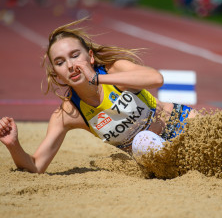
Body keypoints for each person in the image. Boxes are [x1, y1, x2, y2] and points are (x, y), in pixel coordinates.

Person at [0, 18, 198, 174]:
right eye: (60, 62)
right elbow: (36, 166)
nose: (70, 65)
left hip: (180, 123)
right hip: (154, 154)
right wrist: (13, 145)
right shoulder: (69, 114)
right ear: (56, 73)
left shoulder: (113, 72)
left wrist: (97, 79)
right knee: (142, 140)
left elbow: (156, 78)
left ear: (91, 57)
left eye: (75, 55)